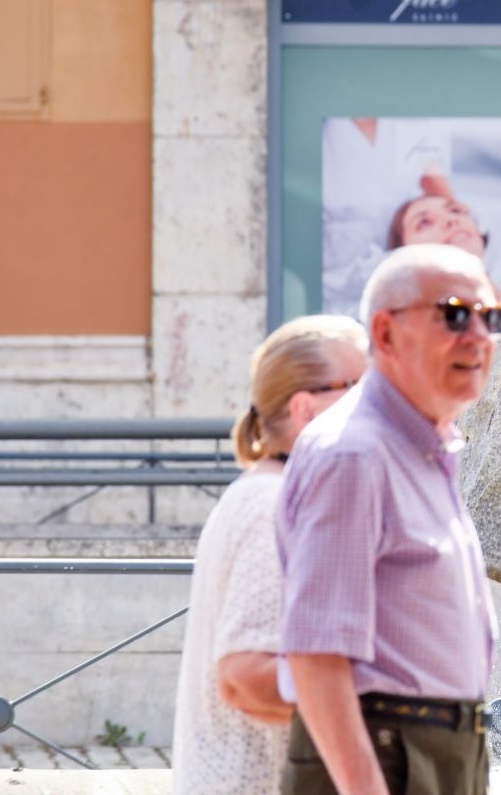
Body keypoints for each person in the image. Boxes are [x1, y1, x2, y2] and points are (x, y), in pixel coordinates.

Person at [277, 244, 501, 795]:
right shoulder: (354, 456)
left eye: (492, 316)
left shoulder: (421, 448)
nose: (478, 335)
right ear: (385, 334)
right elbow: (316, 654)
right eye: (454, 314)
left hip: (436, 748)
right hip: (386, 751)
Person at [171, 315, 368, 795]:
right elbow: (244, 676)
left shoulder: (272, 493)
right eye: (361, 387)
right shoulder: (271, 505)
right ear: (305, 409)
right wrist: (380, 697)